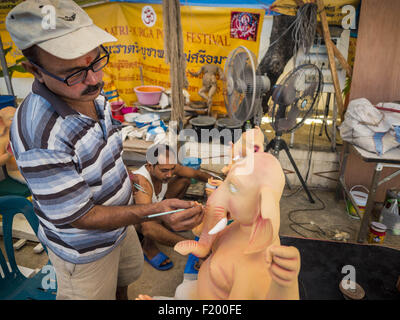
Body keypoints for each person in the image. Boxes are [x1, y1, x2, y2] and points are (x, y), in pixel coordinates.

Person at [5, 0, 203, 300]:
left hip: (119, 229)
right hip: (84, 250)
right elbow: (81, 216)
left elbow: (103, 151)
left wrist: (124, 177)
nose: (94, 79)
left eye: (96, 61)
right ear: (35, 70)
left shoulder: (94, 98)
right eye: (74, 73)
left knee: (124, 282)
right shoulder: (42, 136)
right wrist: (153, 211)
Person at [132, 144, 212, 270]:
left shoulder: (168, 167)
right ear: (149, 166)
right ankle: (148, 247)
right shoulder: (142, 183)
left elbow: (196, 174)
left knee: (184, 180)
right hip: (137, 222)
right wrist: (192, 246)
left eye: (172, 169)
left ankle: (167, 225)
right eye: (164, 171)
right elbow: (147, 226)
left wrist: (221, 183)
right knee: (151, 223)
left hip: (157, 205)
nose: (170, 174)